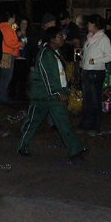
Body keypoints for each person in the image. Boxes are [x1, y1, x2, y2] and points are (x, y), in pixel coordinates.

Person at [17, 27, 87, 160]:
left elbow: (59, 75)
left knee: (63, 122)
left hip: (54, 96)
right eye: (60, 36)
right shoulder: (45, 54)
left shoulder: (56, 53)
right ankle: (22, 145)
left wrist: (63, 90)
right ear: (52, 39)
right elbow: (46, 76)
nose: (63, 38)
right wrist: (57, 91)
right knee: (32, 122)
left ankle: (75, 150)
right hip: (42, 96)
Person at [78, 14, 111, 133]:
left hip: (96, 72)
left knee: (94, 100)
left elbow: (109, 56)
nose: (87, 25)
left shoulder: (103, 39)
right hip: (87, 70)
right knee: (87, 100)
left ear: (94, 24)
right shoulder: (89, 38)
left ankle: (95, 125)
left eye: (89, 23)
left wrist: (95, 61)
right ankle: (86, 124)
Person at [0, 10, 21, 105]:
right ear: (12, 17)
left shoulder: (2, 27)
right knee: (6, 78)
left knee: (5, 78)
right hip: (7, 55)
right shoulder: (6, 28)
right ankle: (1, 98)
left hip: (5, 54)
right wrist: (19, 43)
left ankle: (3, 97)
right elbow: (9, 42)